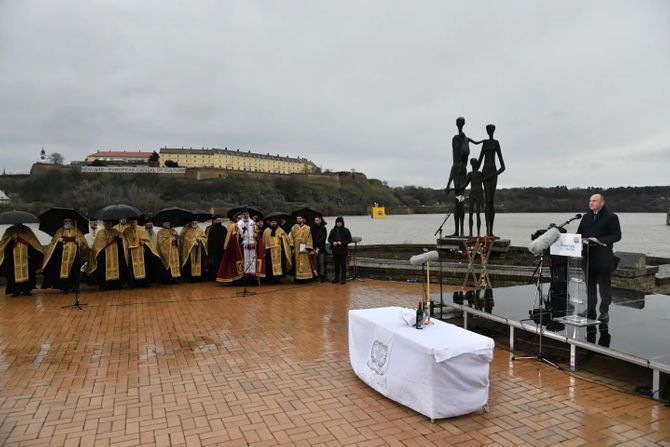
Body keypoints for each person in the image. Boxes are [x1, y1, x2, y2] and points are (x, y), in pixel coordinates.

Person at [577, 193, 621, 322]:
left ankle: (604, 311)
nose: (591, 203)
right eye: (590, 201)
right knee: (589, 287)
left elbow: (616, 236)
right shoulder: (585, 217)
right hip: (588, 258)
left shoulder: (611, 217)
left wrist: (599, 240)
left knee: (604, 287)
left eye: (594, 201)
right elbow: (579, 234)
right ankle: (590, 310)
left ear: (602, 203)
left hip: (603, 258)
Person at [446, 117, 482, 237]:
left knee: (459, 201)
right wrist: (448, 184)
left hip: (461, 172)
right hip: (457, 172)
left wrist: (464, 141)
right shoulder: (456, 139)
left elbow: (464, 153)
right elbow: (454, 162)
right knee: (458, 202)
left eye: (460, 124)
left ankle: (460, 231)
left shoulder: (464, 139)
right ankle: (458, 231)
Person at [41, 218, 90, 294]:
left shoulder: (77, 230)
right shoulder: (60, 231)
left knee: (75, 272)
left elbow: (84, 244)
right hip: (62, 256)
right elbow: (53, 243)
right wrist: (58, 240)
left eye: (69, 221)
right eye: (66, 221)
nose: (68, 223)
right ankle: (65, 288)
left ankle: (75, 287)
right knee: (63, 272)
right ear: (63, 222)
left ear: (72, 222)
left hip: (75, 255)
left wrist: (79, 241)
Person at [217, 209, 265, 283]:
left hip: (250, 249)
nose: (245, 216)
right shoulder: (235, 226)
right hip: (240, 249)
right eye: (244, 215)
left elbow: (258, 236)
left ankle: (251, 279)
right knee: (240, 264)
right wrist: (239, 236)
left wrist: (256, 236)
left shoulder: (253, 225)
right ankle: (240, 279)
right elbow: (232, 238)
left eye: (247, 215)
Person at [477, 124, 505, 237]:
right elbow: (478, 163)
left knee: (491, 201)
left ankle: (490, 231)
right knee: (487, 200)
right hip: (485, 172)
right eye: (488, 130)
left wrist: (493, 175)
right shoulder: (484, 143)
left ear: (493, 131)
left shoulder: (496, 143)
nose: (489, 132)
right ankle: (487, 230)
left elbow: (503, 167)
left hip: (492, 173)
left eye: (490, 130)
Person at [0, 224, 44, 296]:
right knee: (13, 275)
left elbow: (33, 243)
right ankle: (15, 291)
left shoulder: (27, 230)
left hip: (26, 258)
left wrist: (31, 253)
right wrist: (12, 239)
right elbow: (4, 245)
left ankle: (26, 290)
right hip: (13, 259)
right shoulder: (9, 231)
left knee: (28, 274)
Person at [121, 217, 162, 287]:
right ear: (129, 222)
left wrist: (144, 242)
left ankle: (144, 283)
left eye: (134, 221)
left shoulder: (141, 229)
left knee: (145, 266)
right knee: (131, 268)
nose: (133, 222)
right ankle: (133, 284)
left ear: (137, 221)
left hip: (141, 252)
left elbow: (147, 240)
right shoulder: (126, 231)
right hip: (131, 252)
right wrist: (127, 251)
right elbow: (124, 242)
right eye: (131, 221)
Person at [88, 220, 128, 290]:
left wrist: (120, 238)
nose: (108, 224)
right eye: (106, 223)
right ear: (104, 224)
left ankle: (116, 284)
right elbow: (97, 247)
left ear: (111, 223)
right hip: (104, 256)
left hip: (115, 254)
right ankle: (105, 285)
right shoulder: (100, 233)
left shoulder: (116, 231)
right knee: (103, 269)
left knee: (118, 267)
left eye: (109, 223)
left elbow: (122, 245)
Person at [262, 217, 292, 283]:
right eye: (272, 222)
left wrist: (282, 238)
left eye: (275, 222)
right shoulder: (266, 231)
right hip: (269, 251)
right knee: (269, 266)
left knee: (280, 265)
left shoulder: (281, 230)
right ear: (270, 223)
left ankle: (278, 279)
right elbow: (264, 241)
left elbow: (286, 239)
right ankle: (270, 279)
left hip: (279, 251)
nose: (273, 223)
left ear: (277, 223)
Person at [290, 214, 316, 282]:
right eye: (297, 219)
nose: (299, 220)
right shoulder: (293, 227)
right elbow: (291, 238)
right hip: (296, 248)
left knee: (305, 263)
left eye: (300, 218)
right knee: (297, 263)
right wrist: (292, 248)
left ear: (303, 220)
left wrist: (307, 248)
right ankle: (298, 278)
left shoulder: (307, 228)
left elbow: (309, 238)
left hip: (304, 247)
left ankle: (306, 278)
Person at [328, 217, 352, 284]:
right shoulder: (333, 230)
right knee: (336, 265)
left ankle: (343, 279)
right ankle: (336, 278)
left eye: (340, 222)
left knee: (343, 265)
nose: (339, 223)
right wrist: (333, 242)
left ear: (342, 223)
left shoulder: (346, 230)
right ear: (336, 223)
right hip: (335, 250)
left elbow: (349, 240)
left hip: (343, 250)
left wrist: (342, 242)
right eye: (337, 222)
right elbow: (329, 239)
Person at [464, 158, 484, 237]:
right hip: (472, 194)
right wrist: (456, 188)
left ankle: (478, 233)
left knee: (478, 214)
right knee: (470, 214)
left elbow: (484, 181)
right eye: (473, 164)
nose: (474, 165)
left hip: (479, 193)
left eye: (475, 164)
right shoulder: (470, 174)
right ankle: (471, 233)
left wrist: (483, 199)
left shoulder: (480, 173)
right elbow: (465, 184)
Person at [205, 216, 227, 281]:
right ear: (215, 221)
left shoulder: (224, 229)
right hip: (214, 250)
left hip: (222, 249)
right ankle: (214, 277)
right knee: (214, 264)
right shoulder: (212, 229)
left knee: (221, 263)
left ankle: (222, 276)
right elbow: (210, 240)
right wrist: (210, 250)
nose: (219, 221)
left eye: (220, 220)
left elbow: (226, 238)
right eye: (218, 220)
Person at [311, 215, 328, 282]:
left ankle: (322, 276)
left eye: (317, 220)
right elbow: (312, 239)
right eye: (315, 220)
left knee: (321, 263)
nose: (316, 221)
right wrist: (314, 248)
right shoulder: (312, 228)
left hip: (321, 248)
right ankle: (315, 276)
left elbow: (323, 239)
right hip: (314, 248)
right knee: (315, 263)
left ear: (320, 220)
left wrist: (318, 248)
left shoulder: (324, 228)